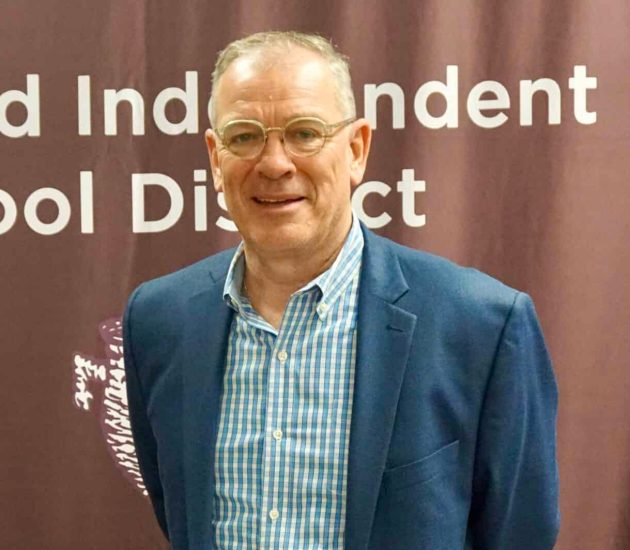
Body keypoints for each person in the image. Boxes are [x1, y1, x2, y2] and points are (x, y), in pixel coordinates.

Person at [123, 31, 559, 550]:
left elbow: (520, 534)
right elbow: (178, 514)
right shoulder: (158, 321)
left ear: (356, 149)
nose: (275, 163)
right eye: (244, 136)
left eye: (305, 133)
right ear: (216, 158)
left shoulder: (484, 327)